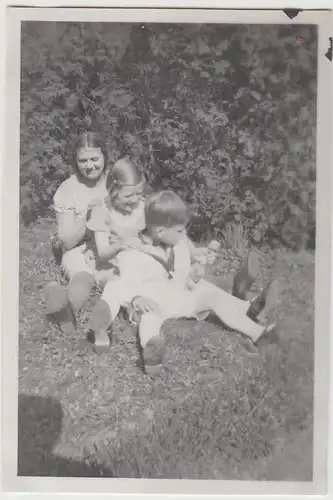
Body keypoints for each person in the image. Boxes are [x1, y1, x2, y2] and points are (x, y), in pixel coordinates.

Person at [89, 190, 280, 373]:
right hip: (155, 302)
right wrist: (137, 299)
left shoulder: (178, 245)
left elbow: (185, 275)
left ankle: (257, 332)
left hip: (181, 296)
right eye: (180, 231)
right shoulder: (133, 251)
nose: (184, 236)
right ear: (161, 231)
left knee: (213, 295)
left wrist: (195, 272)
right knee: (149, 320)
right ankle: (151, 351)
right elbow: (125, 283)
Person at [44, 132, 109, 334]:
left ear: (105, 157)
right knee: (82, 278)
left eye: (94, 159)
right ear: (75, 161)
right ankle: (67, 312)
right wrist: (88, 218)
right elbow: (66, 241)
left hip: (110, 245)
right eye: (83, 160)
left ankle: (143, 311)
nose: (89, 165)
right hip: (79, 249)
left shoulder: (116, 183)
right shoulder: (68, 189)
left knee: (120, 279)